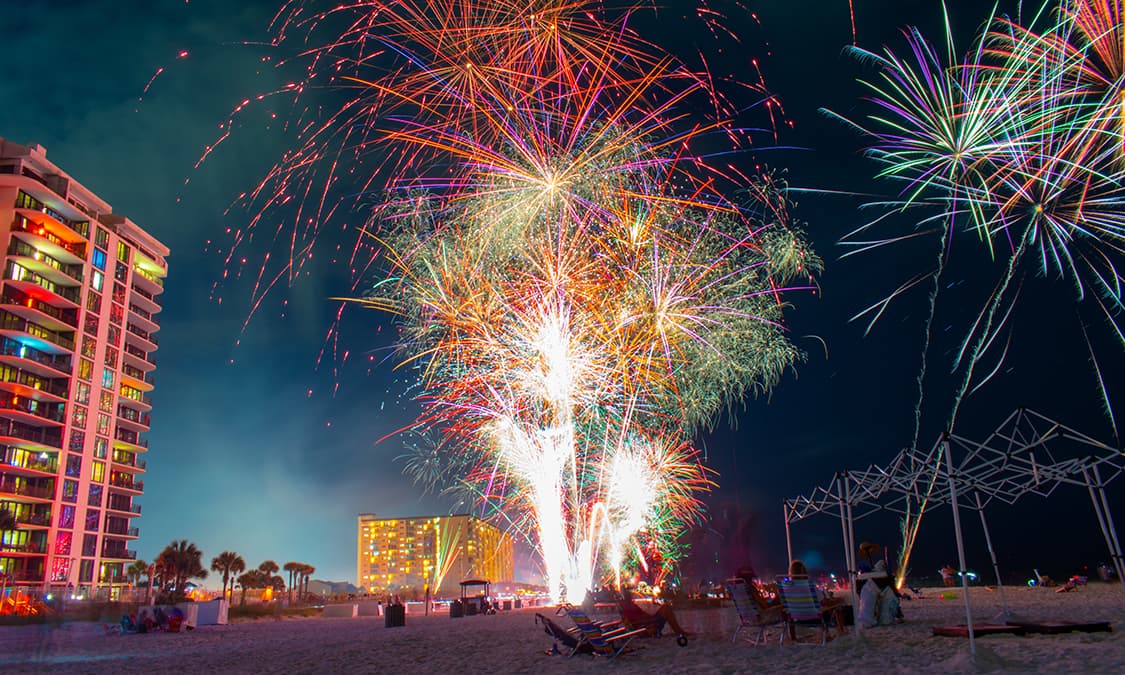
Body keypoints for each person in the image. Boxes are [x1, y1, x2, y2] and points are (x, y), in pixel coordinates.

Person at [618, 588, 687, 638]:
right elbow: (640, 617)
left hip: (641, 624)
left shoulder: (626, 605)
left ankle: (679, 631)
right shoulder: (630, 606)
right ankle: (679, 631)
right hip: (644, 626)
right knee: (666, 609)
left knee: (665, 609)